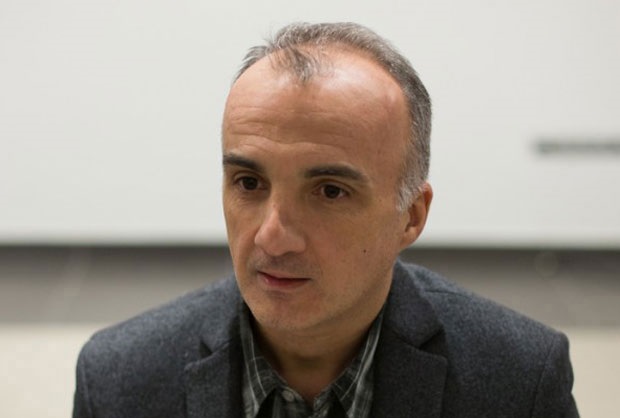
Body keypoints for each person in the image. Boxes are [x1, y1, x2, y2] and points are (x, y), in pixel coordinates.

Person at [72, 22, 579, 418]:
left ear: (411, 216)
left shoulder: (519, 381)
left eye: (330, 191)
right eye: (248, 183)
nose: (273, 237)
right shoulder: (120, 379)